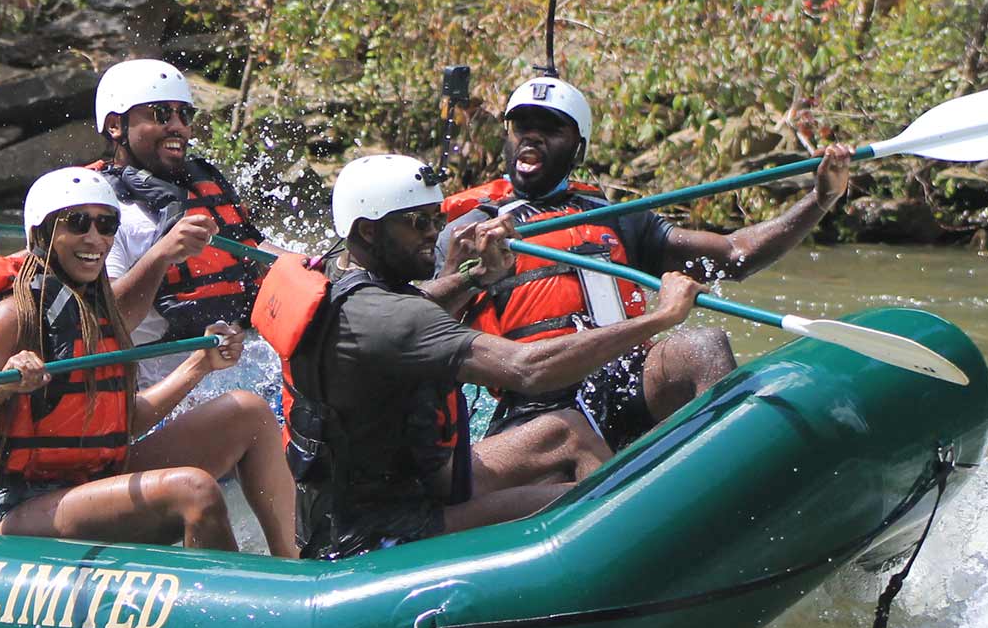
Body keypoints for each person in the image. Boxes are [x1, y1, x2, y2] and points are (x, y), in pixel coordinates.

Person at [275, 154, 703, 560]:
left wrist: (476, 278)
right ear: (368, 232)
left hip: (387, 493)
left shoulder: (344, 283)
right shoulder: (390, 316)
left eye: (438, 218)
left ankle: (641, 562)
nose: (435, 234)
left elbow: (416, 307)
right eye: (419, 222)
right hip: (383, 532)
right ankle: (650, 557)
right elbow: (528, 369)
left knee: (564, 431)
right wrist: (660, 318)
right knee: (605, 502)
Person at [438, 76, 853, 449]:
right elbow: (421, 326)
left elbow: (733, 256)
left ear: (578, 148)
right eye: (521, 127)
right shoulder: (473, 229)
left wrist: (820, 201)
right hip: (537, 396)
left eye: (549, 129)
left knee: (702, 346)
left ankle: (724, 473)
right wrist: (466, 271)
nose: (531, 138)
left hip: (624, 378)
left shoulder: (614, 217)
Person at [0, 167, 298, 556]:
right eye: (77, 224)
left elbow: (127, 422)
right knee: (193, 490)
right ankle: (229, 604)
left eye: (106, 225)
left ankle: (293, 567)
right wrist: (0, 387)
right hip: (27, 507)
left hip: (100, 479)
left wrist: (199, 365)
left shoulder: (101, 309)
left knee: (249, 411)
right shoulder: (12, 316)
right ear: (43, 234)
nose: (95, 238)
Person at [94, 59, 291, 386]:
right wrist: (162, 255)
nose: (178, 126)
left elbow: (255, 251)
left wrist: (320, 267)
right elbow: (105, 323)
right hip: (153, 392)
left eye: (184, 114)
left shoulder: (202, 184)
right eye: (160, 114)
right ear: (116, 125)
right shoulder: (99, 210)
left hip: (233, 374)